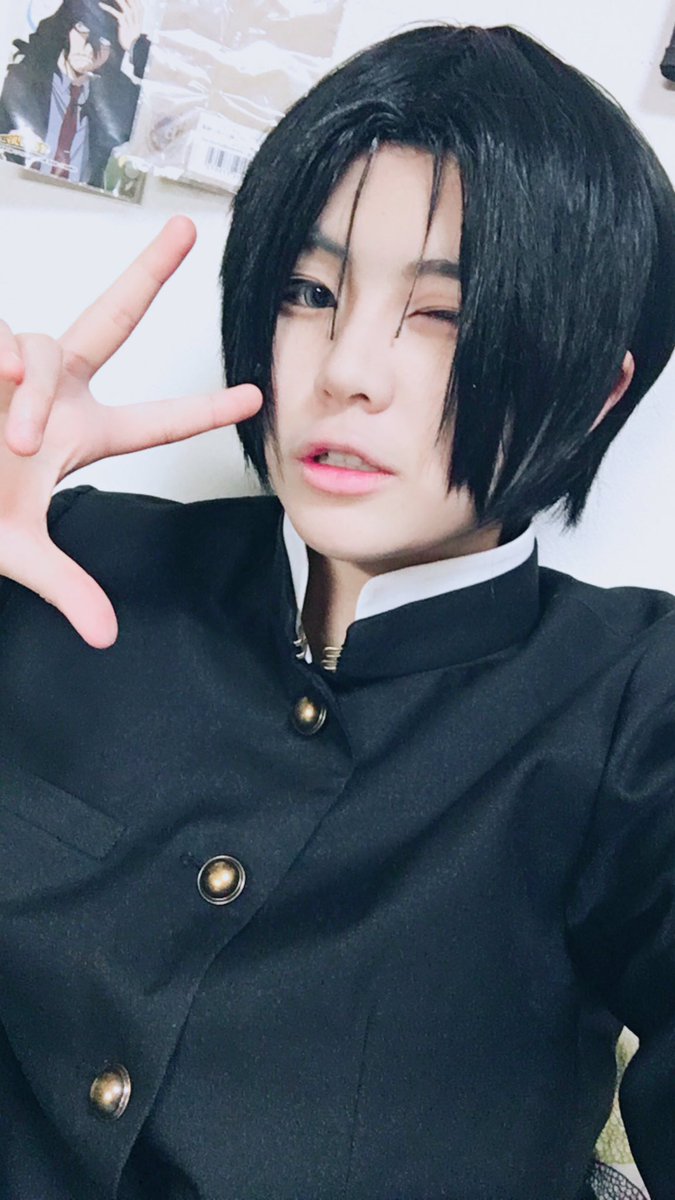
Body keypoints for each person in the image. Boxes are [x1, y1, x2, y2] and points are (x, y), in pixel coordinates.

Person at [0, 21, 674, 1200]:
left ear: (594, 390)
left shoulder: (632, 703)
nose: (348, 368)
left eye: (447, 312)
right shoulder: (69, 558)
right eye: (311, 292)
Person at [0, 0, 150, 187]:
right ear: (66, 27)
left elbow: (164, 127)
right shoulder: (23, 81)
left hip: (82, 199)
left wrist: (137, 48)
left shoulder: (117, 99)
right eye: (81, 29)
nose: (88, 48)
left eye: (103, 40)